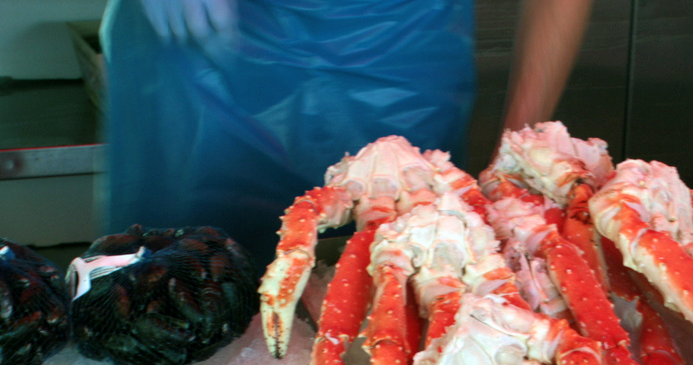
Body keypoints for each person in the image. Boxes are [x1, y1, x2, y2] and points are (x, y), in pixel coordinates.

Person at [102, 0, 593, 265]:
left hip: (398, 66)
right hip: (199, 61)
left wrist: (518, 155)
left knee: (395, 312)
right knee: (167, 301)